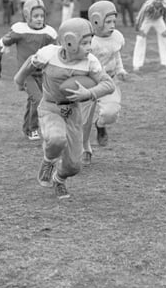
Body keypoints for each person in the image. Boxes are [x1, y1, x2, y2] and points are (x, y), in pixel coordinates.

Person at [14, 17, 115, 201]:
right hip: (50, 108)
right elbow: (30, 62)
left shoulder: (90, 62)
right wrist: (19, 80)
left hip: (73, 113)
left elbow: (109, 85)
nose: (90, 47)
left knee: (74, 165)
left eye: (90, 42)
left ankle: (59, 179)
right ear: (70, 42)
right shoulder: (48, 54)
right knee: (56, 139)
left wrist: (89, 93)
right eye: (84, 42)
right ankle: (48, 161)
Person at [0, 0, 58, 141]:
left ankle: (27, 127)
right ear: (27, 16)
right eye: (35, 16)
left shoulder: (49, 33)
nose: (39, 19)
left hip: (42, 73)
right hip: (25, 73)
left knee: (33, 100)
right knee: (38, 99)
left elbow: (57, 51)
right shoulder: (19, 30)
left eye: (42, 16)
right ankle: (33, 129)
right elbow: (3, 42)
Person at [81, 0, 129, 163]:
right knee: (83, 120)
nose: (112, 25)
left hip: (109, 81)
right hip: (89, 82)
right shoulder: (89, 41)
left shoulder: (116, 37)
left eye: (114, 21)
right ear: (96, 21)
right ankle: (84, 148)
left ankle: (100, 125)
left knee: (111, 112)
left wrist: (120, 69)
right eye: (108, 22)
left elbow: (115, 54)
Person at [132, 0, 166, 72]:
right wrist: (139, 29)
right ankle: (137, 64)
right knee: (140, 39)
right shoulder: (148, 4)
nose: (158, 1)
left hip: (158, 19)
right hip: (147, 19)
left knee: (165, 37)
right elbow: (140, 16)